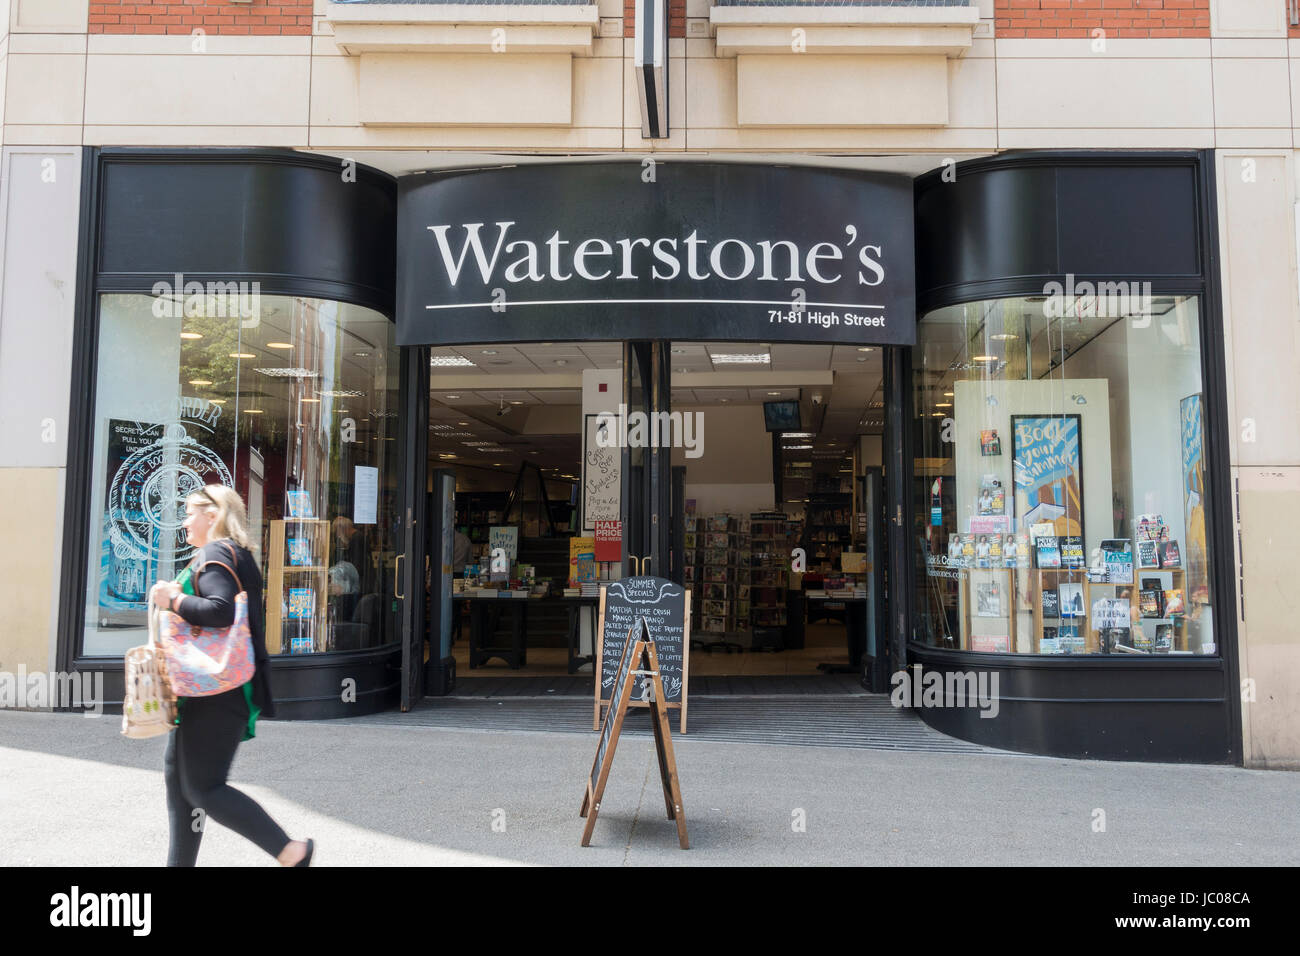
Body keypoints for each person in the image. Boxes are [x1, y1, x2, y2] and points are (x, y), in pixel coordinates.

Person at [150, 484, 314, 867]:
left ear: (213, 515)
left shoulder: (215, 552)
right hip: (214, 689)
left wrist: (171, 600)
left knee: (204, 788)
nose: (186, 522)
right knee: (180, 786)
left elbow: (221, 610)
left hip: (216, 688)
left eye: (191, 513)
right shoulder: (233, 554)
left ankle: (290, 852)